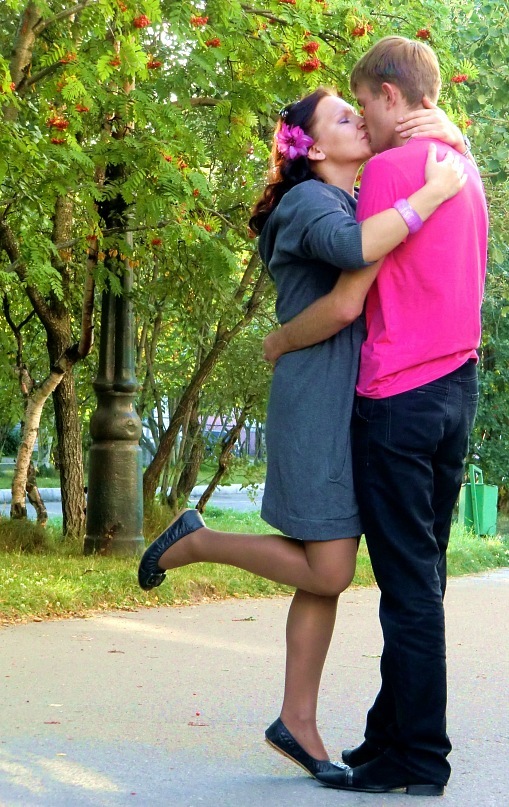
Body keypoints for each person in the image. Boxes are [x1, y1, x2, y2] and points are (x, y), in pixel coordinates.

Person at [138, 84, 467, 781]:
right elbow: (355, 255)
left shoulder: (349, 196)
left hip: (353, 396)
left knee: (323, 570)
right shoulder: (309, 202)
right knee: (330, 567)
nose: (360, 120)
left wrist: (449, 138)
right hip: (317, 398)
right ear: (314, 148)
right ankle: (199, 540)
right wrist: (435, 189)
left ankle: (298, 719)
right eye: (344, 117)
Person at [260, 37, 488, 796]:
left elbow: (349, 295)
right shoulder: (466, 169)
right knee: (423, 575)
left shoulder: (390, 172)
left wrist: (279, 341)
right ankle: (390, 734)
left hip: (398, 398)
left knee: (408, 589)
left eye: (363, 103)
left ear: (391, 96)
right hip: (457, 389)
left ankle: (416, 756)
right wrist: (452, 134)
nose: (363, 119)